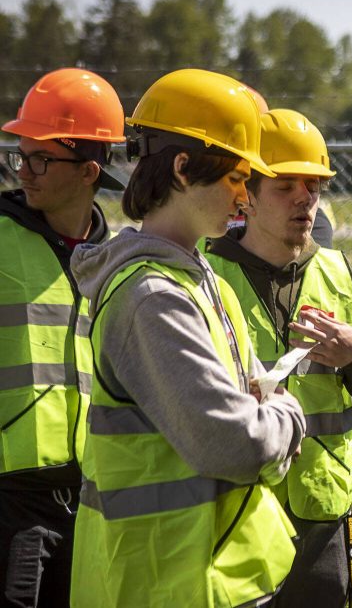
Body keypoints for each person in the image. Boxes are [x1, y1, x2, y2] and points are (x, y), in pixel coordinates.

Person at [68, 68, 306, 607]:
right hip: (164, 581)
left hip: (214, 574)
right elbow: (236, 443)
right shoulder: (151, 298)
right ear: (182, 168)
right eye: (236, 177)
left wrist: (263, 413)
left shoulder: (203, 280)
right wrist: (291, 417)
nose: (247, 198)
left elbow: (247, 412)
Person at [204, 108, 352, 607]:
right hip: (235, 504)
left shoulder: (338, 273)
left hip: (320, 506)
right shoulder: (206, 274)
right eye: (285, 186)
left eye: (313, 186)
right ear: (246, 192)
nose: (304, 199)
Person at [0, 68, 126, 608]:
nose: (23, 171)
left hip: (97, 498)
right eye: (20, 154)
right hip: (13, 502)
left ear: (88, 171)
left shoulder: (119, 260)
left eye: (40, 159)